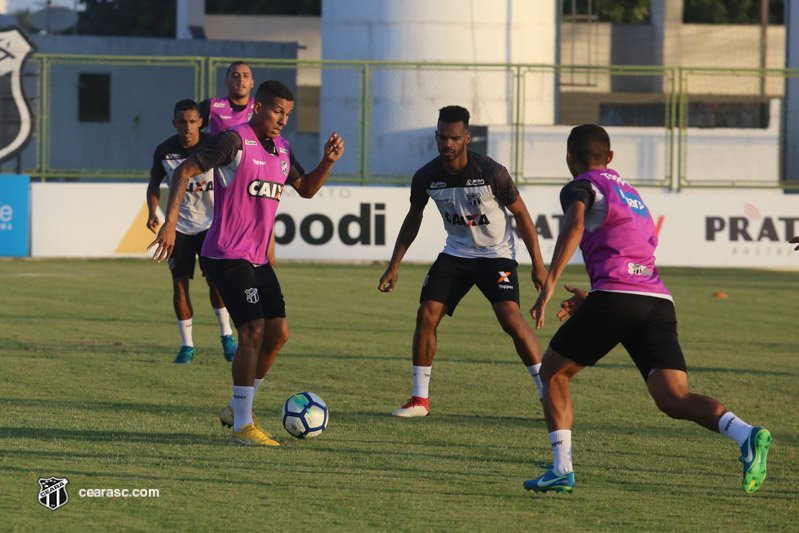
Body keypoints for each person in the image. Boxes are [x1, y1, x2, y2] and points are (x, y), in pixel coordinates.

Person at [524, 124, 772, 494]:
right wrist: (595, 298)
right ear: (610, 158)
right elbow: (629, 255)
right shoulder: (631, 193)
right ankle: (746, 434)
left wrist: (549, 284)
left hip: (617, 297)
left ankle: (562, 469)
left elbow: (575, 223)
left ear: (569, 158)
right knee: (673, 397)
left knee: (554, 375)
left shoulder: (581, 186)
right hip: (656, 301)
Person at [149, 80, 344, 446]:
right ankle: (242, 425)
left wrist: (327, 162)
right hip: (225, 253)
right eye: (276, 111)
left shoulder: (283, 149)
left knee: (278, 334)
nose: (282, 119)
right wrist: (171, 224)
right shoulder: (234, 140)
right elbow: (184, 171)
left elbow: (307, 189)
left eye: (288, 113)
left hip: (256, 258)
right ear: (257, 107)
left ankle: (236, 408)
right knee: (252, 331)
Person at [378, 105, 548, 417]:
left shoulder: (491, 173)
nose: (448, 144)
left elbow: (521, 215)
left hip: (496, 254)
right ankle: (420, 400)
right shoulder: (427, 176)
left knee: (510, 319)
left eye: (454, 138)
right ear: (436, 137)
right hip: (456, 254)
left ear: (467, 138)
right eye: (442, 137)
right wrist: (394, 264)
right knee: (427, 314)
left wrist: (538, 263)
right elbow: (413, 218)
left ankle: (546, 389)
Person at [146, 99, 237, 364]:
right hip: (180, 229)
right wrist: (153, 212)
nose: (188, 127)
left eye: (193, 121)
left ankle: (226, 335)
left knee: (216, 283)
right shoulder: (165, 151)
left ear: (201, 122)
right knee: (179, 286)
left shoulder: (215, 145)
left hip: (211, 226)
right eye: (182, 122)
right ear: (174, 123)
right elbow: (154, 184)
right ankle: (187, 346)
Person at [199, 60, 276, 265]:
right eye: (235, 75)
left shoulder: (261, 109)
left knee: (267, 254)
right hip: (223, 187)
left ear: (252, 83)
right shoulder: (213, 107)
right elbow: (190, 131)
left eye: (245, 75)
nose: (240, 79)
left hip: (257, 184)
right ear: (226, 81)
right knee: (220, 253)